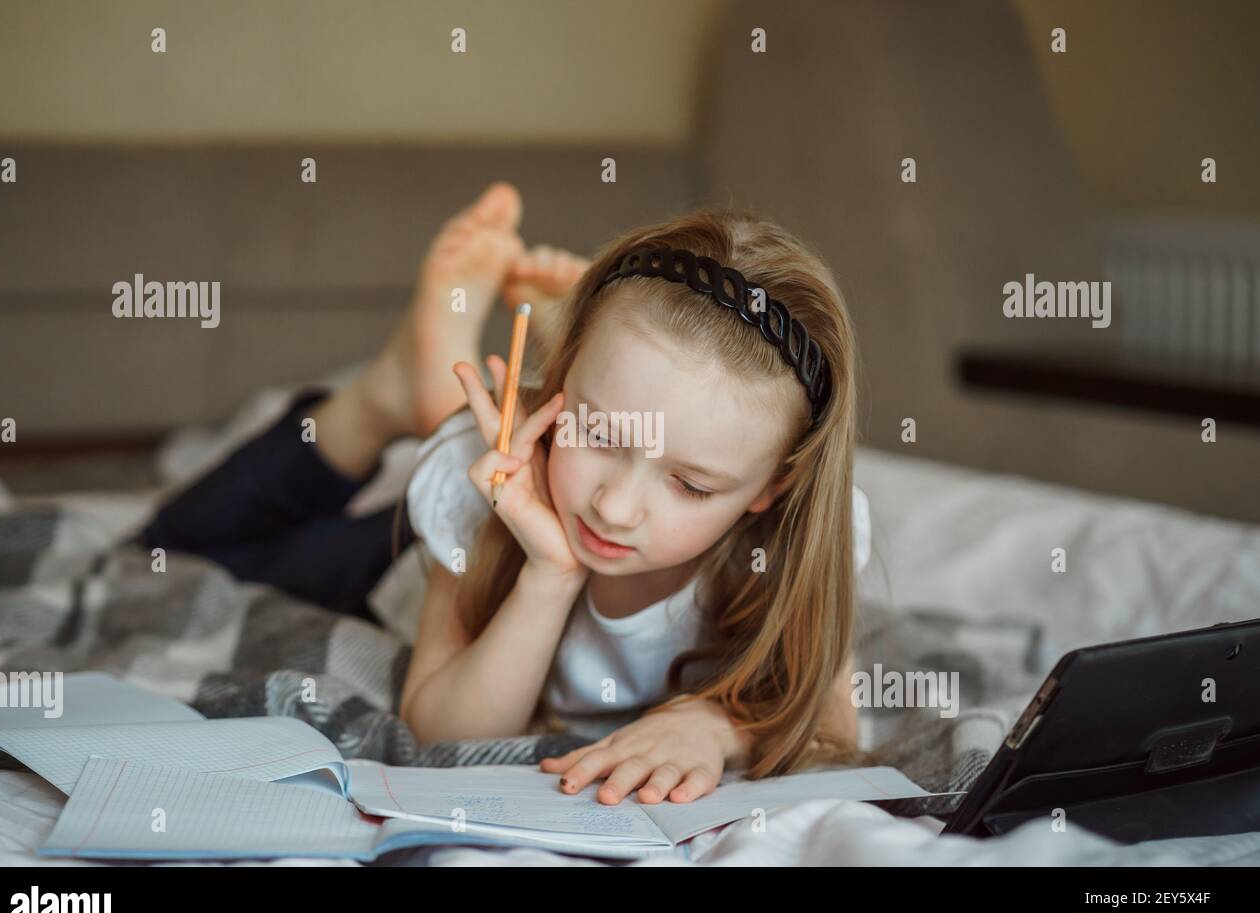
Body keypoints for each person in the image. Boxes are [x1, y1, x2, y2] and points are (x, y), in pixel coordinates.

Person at [144, 182, 873, 807]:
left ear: (772, 487)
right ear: (562, 384)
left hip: (534, 454)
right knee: (166, 558)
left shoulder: (799, 538)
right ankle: (382, 399)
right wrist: (550, 575)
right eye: (596, 432)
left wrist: (715, 727)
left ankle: (461, 389)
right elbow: (441, 732)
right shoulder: (474, 493)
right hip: (427, 546)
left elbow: (834, 729)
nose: (615, 509)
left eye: (689, 483)